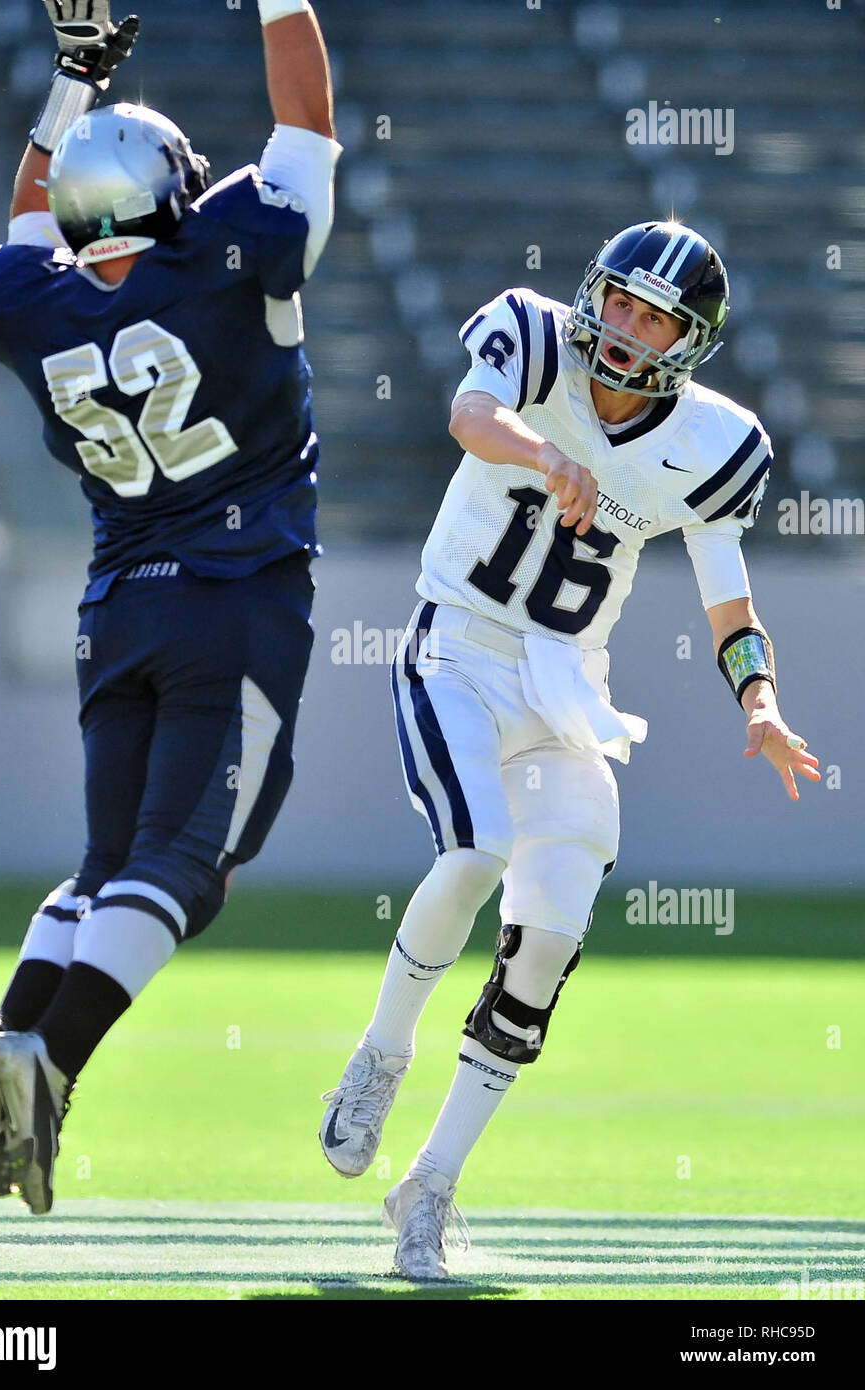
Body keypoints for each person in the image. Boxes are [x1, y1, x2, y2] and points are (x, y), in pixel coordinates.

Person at [320, 220, 821, 1280]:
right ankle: (381, 1055)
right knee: (474, 849)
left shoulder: (714, 445)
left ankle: (430, 1185)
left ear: (689, 340)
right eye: (622, 300)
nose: (627, 325)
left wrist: (761, 704)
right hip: (455, 639)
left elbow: (730, 602)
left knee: (548, 935)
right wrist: (543, 450)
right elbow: (466, 414)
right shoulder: (535, 342)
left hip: (565, 685)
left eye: (654, 315)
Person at [0, 0, 340, 1215]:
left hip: (117, 606)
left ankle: (15, 1035)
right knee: (186, 863)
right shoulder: (231, 252)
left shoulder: (24, 302)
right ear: (178, 185)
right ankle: (47, 1060)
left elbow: (30, 217)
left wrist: (70, 82)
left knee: (106, 863)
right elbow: (308, 121)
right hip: (237, 601)